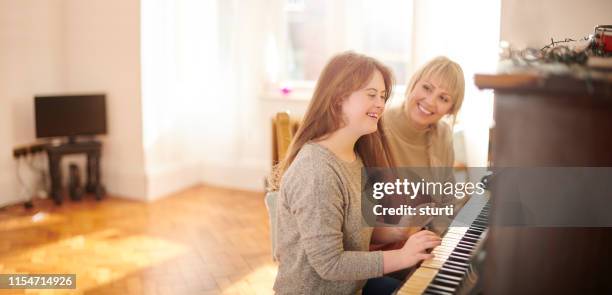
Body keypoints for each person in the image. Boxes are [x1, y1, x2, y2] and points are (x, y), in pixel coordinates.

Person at [270, 51, 441, 294]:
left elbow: (353, 230)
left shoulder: (355, 157)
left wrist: (395, 230)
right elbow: (330, 264)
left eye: (383, 96)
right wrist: (402, 256)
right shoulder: (316, 171)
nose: (380, 104)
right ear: (338, 98)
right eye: (371, 95)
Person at [373, 56, 466, 251]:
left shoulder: (443, 134)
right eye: (427, 88)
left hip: (421, 250)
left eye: (443, 98)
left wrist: (438, 245)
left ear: (450, 109)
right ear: (414, 84)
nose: (431, 102)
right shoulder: (376, 128)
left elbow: (446, 198)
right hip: (380, 254)